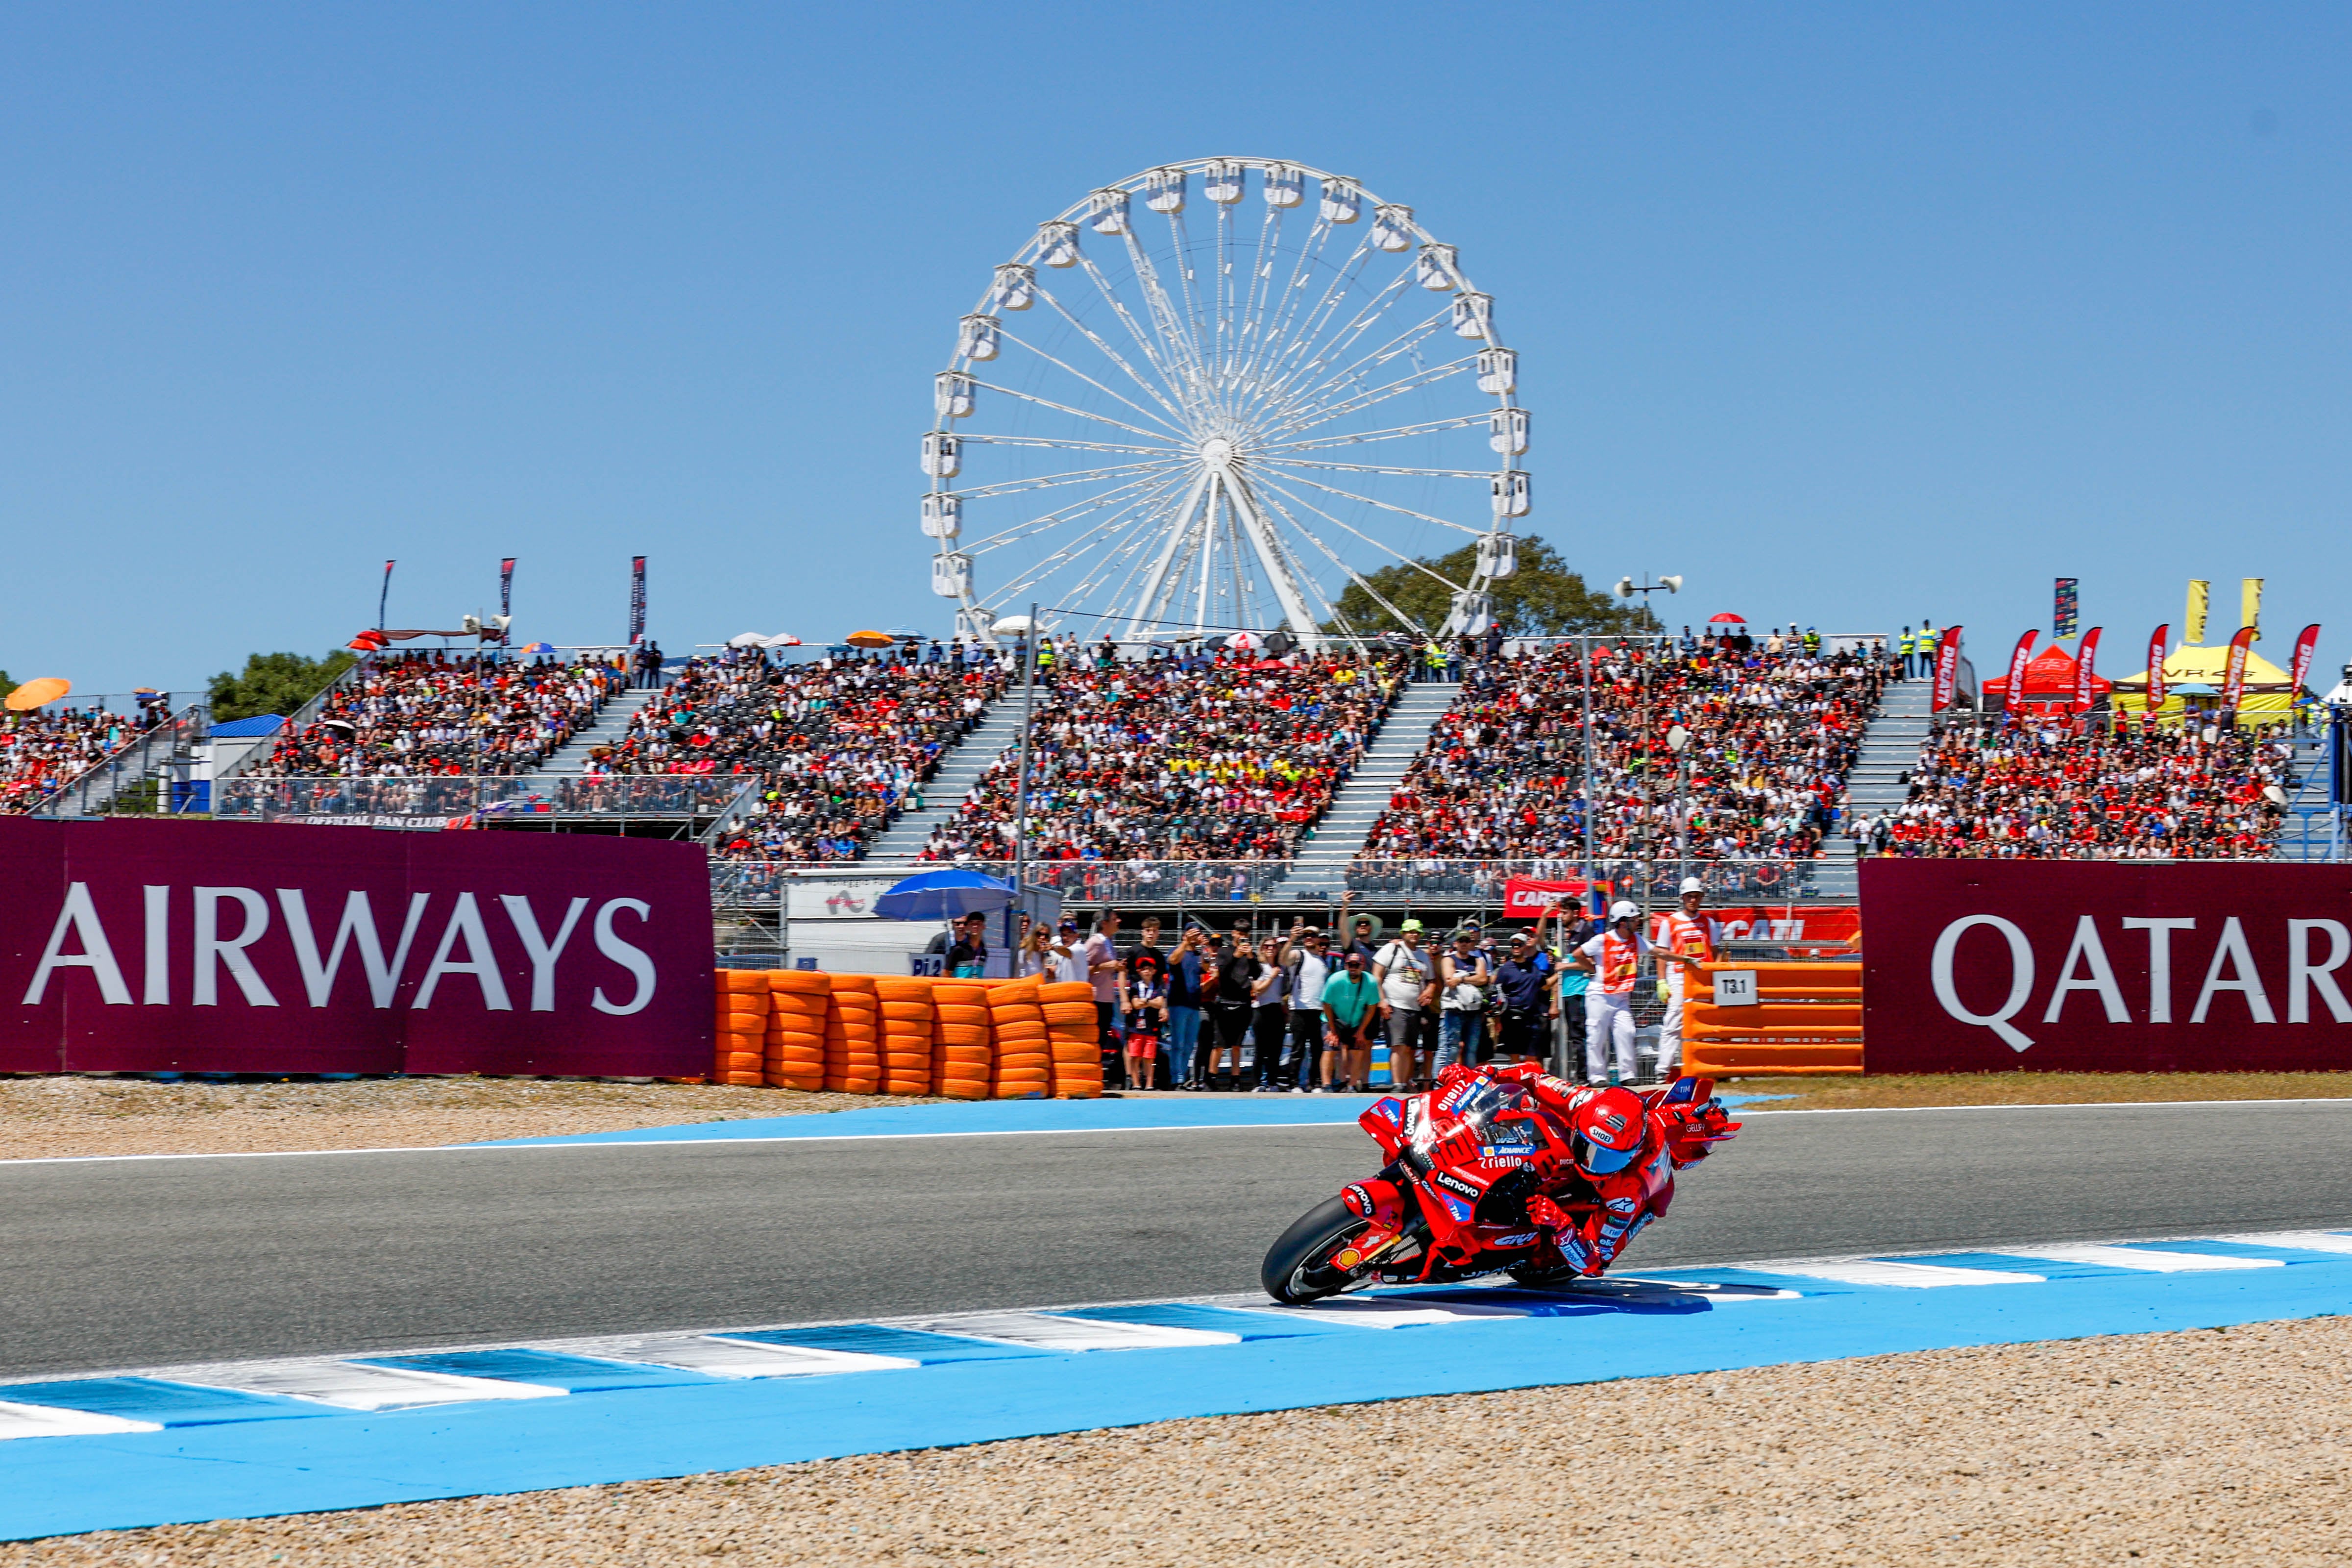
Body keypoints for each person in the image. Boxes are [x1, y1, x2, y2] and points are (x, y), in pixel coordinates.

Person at [1653, 877, 1715, 1079]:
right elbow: (1661, 953)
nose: (1693, 900)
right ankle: (1663, 1070)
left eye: (1697, 896)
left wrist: (1716, 975)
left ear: (1702, 898)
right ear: (1682, 898)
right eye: (1689, 896)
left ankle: (1705, 1066)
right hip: (1679, 977)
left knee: (1704, 1022)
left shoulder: (1709, 923)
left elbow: (1714, 952)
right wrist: (1661, 981)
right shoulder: (1670, 923)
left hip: (1703, 978)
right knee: (1673, 1022)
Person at [1372, 919, 1433, 1089]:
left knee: (1410, 1049)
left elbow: (1431, 980)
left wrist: (1429, 991)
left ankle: (1406, 1083)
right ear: (1403, 933)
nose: (1414, 934)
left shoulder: (1423, 956)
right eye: (1410, 931)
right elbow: (1377, 976)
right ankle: (1398, 1083)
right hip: (1394, 1004)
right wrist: (1382, 1001)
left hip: (1415, 1007)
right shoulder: (1391, 949)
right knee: (1398, 1046)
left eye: (1417, 932)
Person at [1202, 930, 1260, 1091]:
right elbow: (1223, 973)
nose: (1242, 937)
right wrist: (1236, 955)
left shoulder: (1250, 955)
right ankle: (1211, 1079)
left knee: (1237, 1045)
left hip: (1243, 1003)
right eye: (1239, 933)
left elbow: (1257, 974)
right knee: (1219, 1045)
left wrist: (1250, 956)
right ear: (1234, 934)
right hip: (1224, 1003)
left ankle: (1236, 1080)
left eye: (1245, 934)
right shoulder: (1224, 952)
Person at [1281, 923, 1335, 1094]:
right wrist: (1292, 939)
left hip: (1319, 1011)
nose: (1309, 938)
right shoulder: (1298, 954)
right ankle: (1294, 1083)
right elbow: (1283, 960)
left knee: (1317, 1049)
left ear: (1319, 939)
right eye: (1306, 935)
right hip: (1299, 1009)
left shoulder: (1323, 961)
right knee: (1298, 1049)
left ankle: (1315, 1083)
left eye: (1312, 935)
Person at [1321, 950, 1385, 1093]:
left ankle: (1352, 1085)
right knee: (1330, 1048)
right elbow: (1326, 1004)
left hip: (1355, 1020)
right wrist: (1332, 1030)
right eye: (1350, 965)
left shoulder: (1371, 982)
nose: (1353, 968)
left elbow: (1371, 1008)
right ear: (1346, 966)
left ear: (1363, 967)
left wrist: (1361, 1031)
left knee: (1358, 1050)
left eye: (1357, 965)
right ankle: (1326, 1085)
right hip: (1334, 1018)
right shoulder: (1335, 980)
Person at [1493, 927, 1557, 1066]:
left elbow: (1545, 986)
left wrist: (1560, 973)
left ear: (1524, 947)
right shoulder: (1505, 969)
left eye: (1519, 945)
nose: (1516, 948)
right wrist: (1498, 1020)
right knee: (1515, 1059)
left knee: (1532, 1059)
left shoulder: (1533, 967)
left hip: (1532, 1017)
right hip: (1512, 1018)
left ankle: (1531, 1080)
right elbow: (1497, 994)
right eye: (1513, 945)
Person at [1434, 927, 1493, 1074]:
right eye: (1461, 941)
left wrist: (1461, 978)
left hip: (1474, 1011)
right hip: (1454, 1009)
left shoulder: (1478, 960)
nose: (1464, 944)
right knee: (1450, 1048)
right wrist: (1472, 977)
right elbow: (1449, 980)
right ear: (1456, 943)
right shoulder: (1449, 959)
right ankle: (1439, 1080)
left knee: (1471, 1049)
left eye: (1467, 941)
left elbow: (1483, 979)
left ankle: (1469, 1080)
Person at [1083, 910, 1125, 1084]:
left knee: (1101, 1040)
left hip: (1107, 999)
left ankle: (1093, 1076)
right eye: (1115, 919)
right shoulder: (1095, 942)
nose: (1119, 921)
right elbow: (1082, 968)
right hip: (1096, 998)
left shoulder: (1109, 942)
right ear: (1105, 923)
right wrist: (1106, 966)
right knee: (1095, 1039)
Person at [1119, 953, 1167, 1097]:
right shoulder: (1135, 987)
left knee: (1149, 1057)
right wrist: (1151, 1002)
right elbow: (1136, 1004)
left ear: (1154, 971)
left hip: (1151, 1026)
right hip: (1136, 1026)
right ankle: (1136, 1084)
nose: (1147, 971)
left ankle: (1149, 1084)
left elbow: (1159, 1003)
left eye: (1149, 968)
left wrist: (1145, 1002)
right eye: (1144, 969)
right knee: (1135, 1056)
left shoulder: (1157, 987)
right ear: (1139, 972)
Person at [1165, 926, 1206, 1088]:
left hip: (1194, 1004)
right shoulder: (1177, 950)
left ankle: (1183, 1075)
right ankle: (1177, 1079)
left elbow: (1207, 968)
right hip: (1178, 1003)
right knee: (1178, 1044)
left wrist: (1205, 948)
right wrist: (1186, 942)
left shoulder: (1198, 955)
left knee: (1189, 1045)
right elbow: (1173, 960)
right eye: (1193, 933)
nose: (1196, 936)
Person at [1250, 935, 1291, 1092]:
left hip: (1277, 1010)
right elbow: (1258, 990)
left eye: (1273, 946)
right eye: (1267, 946)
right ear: (1262, 949)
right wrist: (1272, 977)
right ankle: (1256, 1084)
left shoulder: (1282, 968)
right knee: (1260, 1050)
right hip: (1262, 1009)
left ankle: (1273, 1083)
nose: (1270, 949)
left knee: (1276, 1050)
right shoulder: (1259, 967)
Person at [944, 912, 988, 980]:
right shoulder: (958, 950)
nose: (975, 926)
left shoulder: (984, 952)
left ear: (984, 927)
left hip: (976, 986)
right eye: (972, 923)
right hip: (959, 986)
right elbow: (946, 974)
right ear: (967, 927)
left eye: (979, 923)